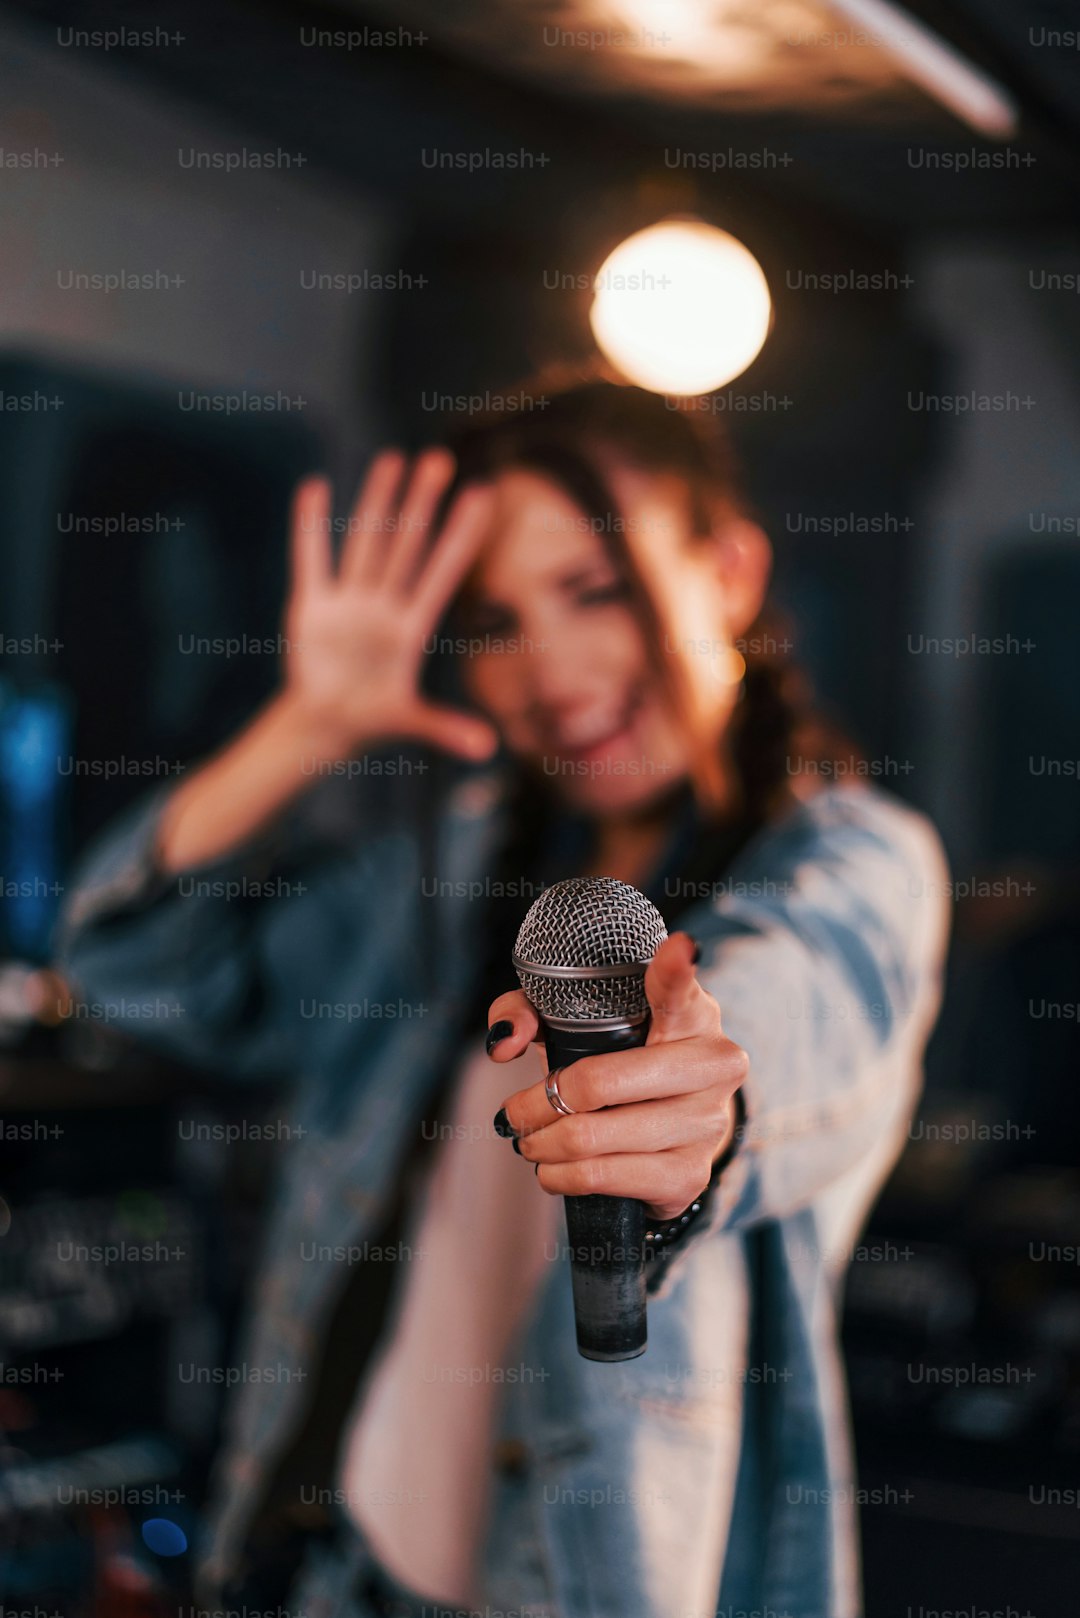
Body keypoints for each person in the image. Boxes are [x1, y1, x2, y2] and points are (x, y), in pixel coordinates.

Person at [58, 374, 950, 1618]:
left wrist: (696, 1098)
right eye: (492, 624)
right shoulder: (458, 864)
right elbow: (132, 973)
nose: (549, 668)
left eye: (593, 591)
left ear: (731, 576)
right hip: (319, 1563)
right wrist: (307, 727)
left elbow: (794, 1009)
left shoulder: (850, 858)